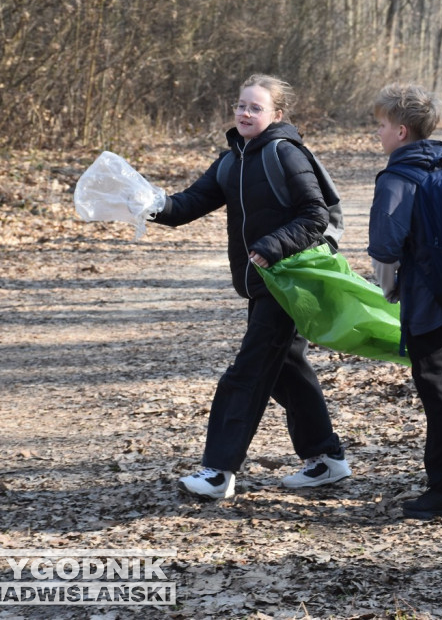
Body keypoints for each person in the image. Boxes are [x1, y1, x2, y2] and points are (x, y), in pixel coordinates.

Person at [150, 74, 350, 498]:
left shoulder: (285, 153)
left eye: (255, 107)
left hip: (290, 283)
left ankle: (218, 472)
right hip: (264, 285)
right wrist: (147, 203)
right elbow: (187, 204)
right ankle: (327, 458)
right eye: (241, 105)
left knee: (246, 373)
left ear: (276, 115)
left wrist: (272, 245)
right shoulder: (231, 161)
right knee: (285, 371)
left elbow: (315, 215)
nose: (244, 113)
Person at [367, 83, 442, 520]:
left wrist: (389, 290)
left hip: (426, 295)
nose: (378, 133)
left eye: (381, 125)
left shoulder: (398, 177)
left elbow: (385, 248)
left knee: (434, 383)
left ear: (400, 131)